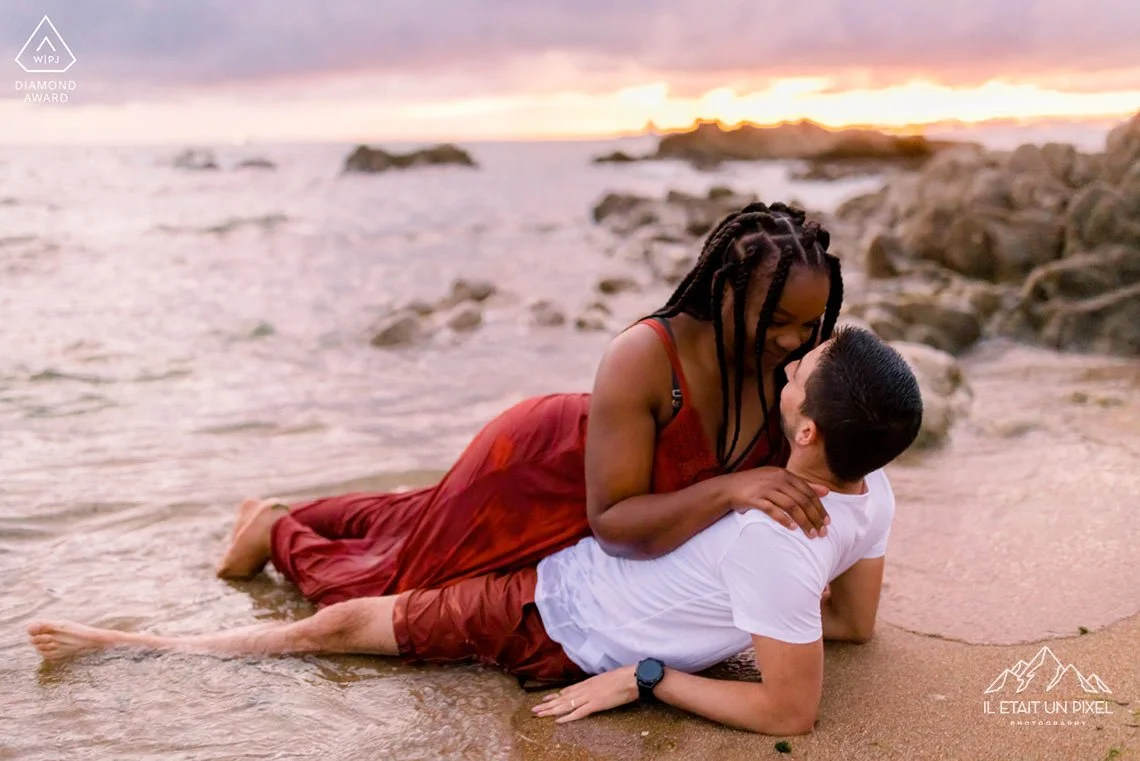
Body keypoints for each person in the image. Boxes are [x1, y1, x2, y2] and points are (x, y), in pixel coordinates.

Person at [29, 327, 923, 736]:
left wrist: (649, 676)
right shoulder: (872, 490)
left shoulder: (779, 538)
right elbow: (851, 624)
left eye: (800, 371)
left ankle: (134, 643)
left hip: (550, 613)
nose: (789, 365)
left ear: (807, 432)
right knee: (419, 520)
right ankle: (276, 526)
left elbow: (790, 713)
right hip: (583, 550)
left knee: (343, 624)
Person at [215, 202, 847, 607]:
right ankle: (275, 529)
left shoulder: (790, 366)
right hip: (534, 468)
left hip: (575, 482)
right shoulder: (647, 356)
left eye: (809, 322)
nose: (794, 340)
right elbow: (616, 525)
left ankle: (283, 512)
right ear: (723, 291)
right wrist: (732, 490)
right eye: (777, 320)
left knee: (409, 519)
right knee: (395, 585)